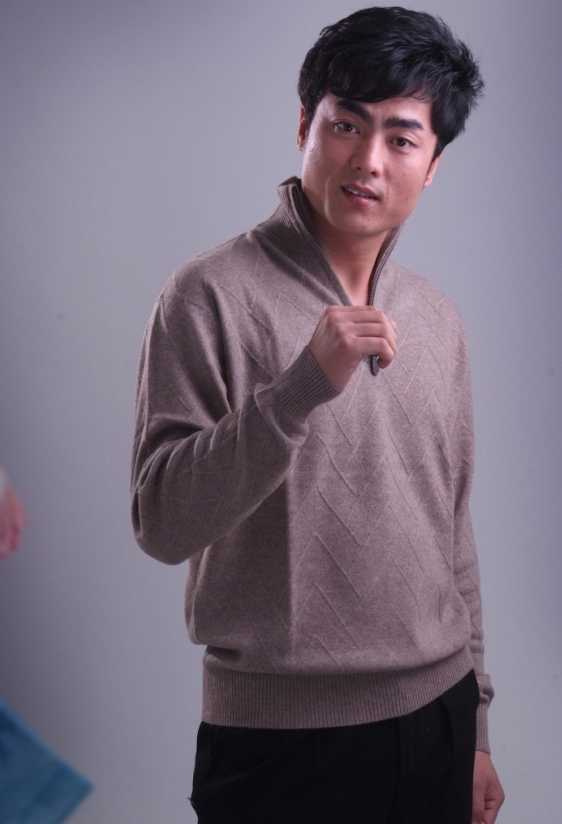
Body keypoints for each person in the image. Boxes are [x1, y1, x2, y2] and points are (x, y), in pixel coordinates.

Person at [131, 7, 505, 823]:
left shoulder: (436, 319)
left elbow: (451, 528)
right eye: (346, 125)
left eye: (401, 139)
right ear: (305, 125)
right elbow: (160, 522)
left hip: (438, 717)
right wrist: (300, 387)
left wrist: (476, 725)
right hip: (280, 740)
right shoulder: (207, 295)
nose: (367, 160)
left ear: (432, 165)